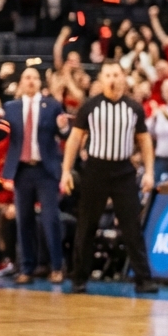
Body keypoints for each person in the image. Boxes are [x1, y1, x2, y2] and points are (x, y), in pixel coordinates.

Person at [62, 61, 158, 294]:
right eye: (108, 75)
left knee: (131, 226)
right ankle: (79, 278)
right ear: (102, 79)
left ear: (123, 78)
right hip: (95, 170)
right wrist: (65, 171)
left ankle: (143, 279)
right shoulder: (90, 107)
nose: (113, 79)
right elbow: (74, 139)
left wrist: (149, 172)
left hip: (124, 171)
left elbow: (144, 141)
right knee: (87, 224)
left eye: (116, 74)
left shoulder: (134, 108)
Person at [0, 67, 69, 284]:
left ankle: (57, 266)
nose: (31, 81)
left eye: (34, 77)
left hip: (46, 170)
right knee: (24, 220)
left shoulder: (51, 105)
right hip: (22, 170)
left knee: (50, 218)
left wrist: (64, 126)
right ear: (21, 82)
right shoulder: (10, 108)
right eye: (27, 77)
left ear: (40, 82)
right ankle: (27, 267)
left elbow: (64, 133)